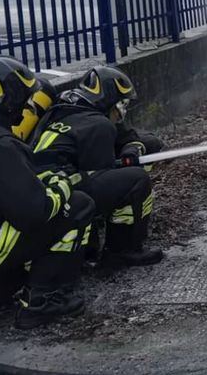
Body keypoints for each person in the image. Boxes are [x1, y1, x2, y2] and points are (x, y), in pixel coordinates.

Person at [0, 56, 94, 331]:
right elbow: (34, 214)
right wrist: (62, 185)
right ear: (12, 100)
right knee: (77, 206)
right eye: (26, 100)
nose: (28, 107)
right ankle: (44, 300)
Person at [31, 66, 165, 267]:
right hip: (60, 190)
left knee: (146, 147)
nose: (123, 112)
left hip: (39, 188)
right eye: (122, 104)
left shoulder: (66, 108)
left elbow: (123, 134)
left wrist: (132, 148)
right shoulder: (99, 125)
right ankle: (122, 249)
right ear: (110, 101)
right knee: (136, 180)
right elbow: (99, 175)